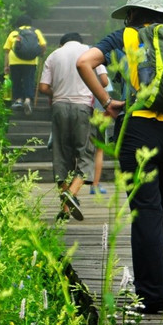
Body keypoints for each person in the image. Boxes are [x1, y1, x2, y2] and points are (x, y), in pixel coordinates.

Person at [76, 0, 163, 314]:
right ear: (160, 16)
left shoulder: (123, 37)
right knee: (160, 209)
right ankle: (157, 286)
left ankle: (152, 295)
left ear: (131, 14)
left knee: (145, 213)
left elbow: (84, 62)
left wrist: (106, 101)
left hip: (139, 130)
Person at [39, 32, 109, 221]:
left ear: (62, 43)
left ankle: (66, 207)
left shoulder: (54, 55)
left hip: (59, 108)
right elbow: (104, 81)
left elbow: (43, 88)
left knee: (61, 154)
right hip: (82, 109)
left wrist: (59, 91)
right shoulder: (91, 51)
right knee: (85, 153)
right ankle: (72, 192)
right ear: (80, 40)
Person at [3, 15, 47, 116]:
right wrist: (41, 53)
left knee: (16, 80)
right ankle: (27, 99)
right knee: (29, 80)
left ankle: (18, 100)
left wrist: (6, 66)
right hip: (31, 61)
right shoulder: (36, 32)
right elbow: (43, 45)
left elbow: (7, 51)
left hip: (14, 61)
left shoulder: (14, 33)